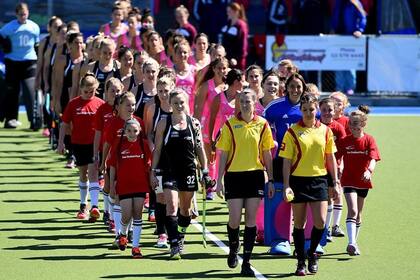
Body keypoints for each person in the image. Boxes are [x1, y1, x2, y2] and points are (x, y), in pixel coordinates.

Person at [215, 88, 275, 277]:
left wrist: (271, 179)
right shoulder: (230, 124)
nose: (245, 104)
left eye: (248, 101)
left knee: (250, 220)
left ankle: (246, 262)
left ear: (255, 102)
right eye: (242, 101)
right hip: (234, 176)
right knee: (234, 220)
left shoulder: (263, 124)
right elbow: (223, 153)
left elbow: (267, 153)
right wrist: (219, 180)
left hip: (255, 176)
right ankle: (234, 248)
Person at [279, 94, 340, 276]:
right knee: (299, 223)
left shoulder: (326, 131)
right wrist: (287, 184)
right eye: (304, 109)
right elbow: (286, 162)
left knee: (320, 222)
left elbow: (331, 158)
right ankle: (300, 262)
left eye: (311, 109)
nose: (308, 113)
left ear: (317, 110)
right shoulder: (292, 132)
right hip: (298, 181)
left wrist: (335, 182)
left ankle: (312, 253)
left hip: (319, 180)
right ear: (300, 110)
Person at [149, 88, 209, 260]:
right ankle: (174, 244)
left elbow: (199, 148)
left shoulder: (194, 123)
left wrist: (204, 171)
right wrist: (153, 172)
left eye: (182, 102)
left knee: (186, 210)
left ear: (186, 102)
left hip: (189, 171)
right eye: (175, 103)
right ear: (170, 104)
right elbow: (158, 149)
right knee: (172, 206)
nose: (179, 105)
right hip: (169, 171)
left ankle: (180, 235)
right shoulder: (163, 123)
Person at [57, 74, 105, 221]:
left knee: (93, 173)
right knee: (83, 174)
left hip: (94, 144)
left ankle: (95, 206)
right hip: (78, 144)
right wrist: (60, 142)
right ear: (81, 89)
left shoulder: (100, 104)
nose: (89, 94)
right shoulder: (73, 104)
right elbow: (64, 124)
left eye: (92, 91)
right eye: (86, 92)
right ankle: (83, 205)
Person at [336, 105, 380, 256]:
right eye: (350, 123)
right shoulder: (344, 141)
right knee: (352, 210)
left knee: (359, 214)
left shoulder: (369, 140)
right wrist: (337, 169)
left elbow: (373, 158)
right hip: (348, 180)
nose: (352, 126)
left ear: (363, 124)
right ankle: (351, 242)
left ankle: (355, 242)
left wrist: (369, 171)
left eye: (356, 123)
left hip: (363, 181)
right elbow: (335, 156)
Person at [102, 91, 144, 242]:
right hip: (117, 166)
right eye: (128, 105)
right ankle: (118, 232)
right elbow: (107, 144)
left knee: (133, 204)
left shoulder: (139, 122)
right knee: (118, 199)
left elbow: (143, 146)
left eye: (133, 104)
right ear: (119, 106)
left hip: (134, 168)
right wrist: (102, 162)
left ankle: (129, 230)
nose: (131, 107)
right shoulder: (114, 122)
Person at [109, 118, 151, 258]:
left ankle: (136, 247)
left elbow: (149, 165)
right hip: (124, 185)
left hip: (140, 184)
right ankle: (122, 234)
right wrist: (112, 183)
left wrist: (151, 179)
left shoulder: (143, 144)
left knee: (138, 214)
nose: (132, 134)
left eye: (135, 131)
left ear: (139, 131)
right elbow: (113, 165)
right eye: (129, 131)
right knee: (126, 215)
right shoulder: (119, 144)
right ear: (124, 132)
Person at [143, 76, 175, 248]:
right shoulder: (152, 108)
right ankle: (162, 233)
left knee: (175, 200)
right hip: (158, 158)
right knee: (160, 196)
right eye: (160, 91)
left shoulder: (178, 108)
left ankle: (175, 233)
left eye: (166, 91)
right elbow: (148, 133)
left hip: (175, 160)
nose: (163, 94)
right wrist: (153, 148)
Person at [0, 3, 40, 129]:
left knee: (30, 91)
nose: (23, 16)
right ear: (16, 14)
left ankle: (34, 120)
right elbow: (1, 36)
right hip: (12, 62)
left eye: (25, 14)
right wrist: (5, 45)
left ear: (28, 13)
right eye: (20, 14)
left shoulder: (34, 27)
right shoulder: (9, 27)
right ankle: (10, 119)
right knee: (12, 92)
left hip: (29, 62)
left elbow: (37, 44)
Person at [194, 57, 229, 199]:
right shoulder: (206, 86)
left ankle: (225, 184)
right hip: (209, 124)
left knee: (226, 156)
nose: (221, 71)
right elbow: (198, 108)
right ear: (213, 69)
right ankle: (210, 187)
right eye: (219, 68)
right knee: (211, 156)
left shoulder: (229, 86)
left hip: (225, 125)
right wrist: (196, 126)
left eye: (224, 68)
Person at [93, 78, 123, 226]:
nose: (116, 93)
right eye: (112, 91)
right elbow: (98, 133)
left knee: (116, 187)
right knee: (108, 185)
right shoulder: (102, 110)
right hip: (107, 153)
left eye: (118, 90)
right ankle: (107, 211)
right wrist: (96, 155)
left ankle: (113, 216)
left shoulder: (124, 109)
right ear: (106, 92)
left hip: (122, 155)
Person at [319, 97, 346, 242]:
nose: (327, 113)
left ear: (335, 111)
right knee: (323, 197)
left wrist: (339, 163)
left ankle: (329, 228)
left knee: (331, 196)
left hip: (332, 168)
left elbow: (342, 148)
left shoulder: (338, 128)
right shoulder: (316, 125)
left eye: (330, 110)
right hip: (317, 167)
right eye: (324, 110)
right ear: (319, 110)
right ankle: (323, 228)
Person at [220, 2, 249, 70]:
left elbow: (243, 44)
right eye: (227, 11)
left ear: (236, 12)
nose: (227, 13)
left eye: (230, 11)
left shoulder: (241, 25)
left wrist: (237, 58)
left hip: (236, 60)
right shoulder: (227, 24)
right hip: (226, 58)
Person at [173, 41, 196, 114]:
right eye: (179, 52)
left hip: (191, 111)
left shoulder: (195, 70)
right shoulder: (170, 71)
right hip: (175, 110)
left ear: (189, 54)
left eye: (185, 52)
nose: (182, 55)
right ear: (175, 54)